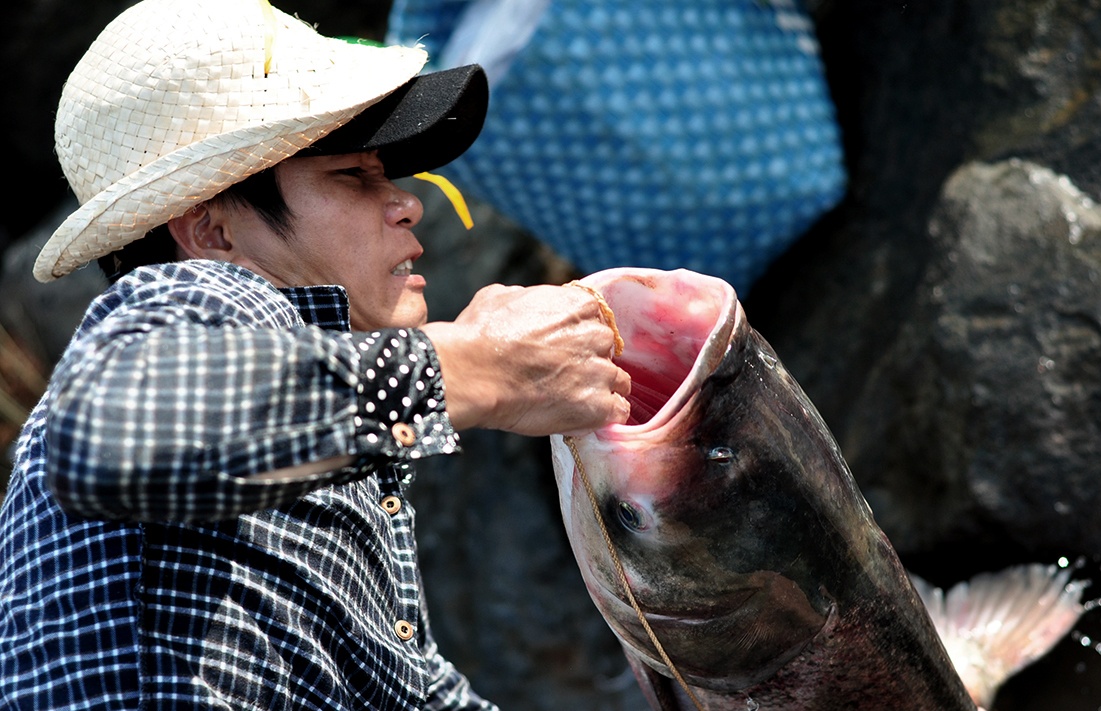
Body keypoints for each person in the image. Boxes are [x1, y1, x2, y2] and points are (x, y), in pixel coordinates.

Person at [0, 0, 630, 709]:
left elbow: (417, 690)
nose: (407, 204)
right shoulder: (198, 298)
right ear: (211, 232)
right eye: (353, 176)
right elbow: (113, 427)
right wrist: (487, 363)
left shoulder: (325, 431)